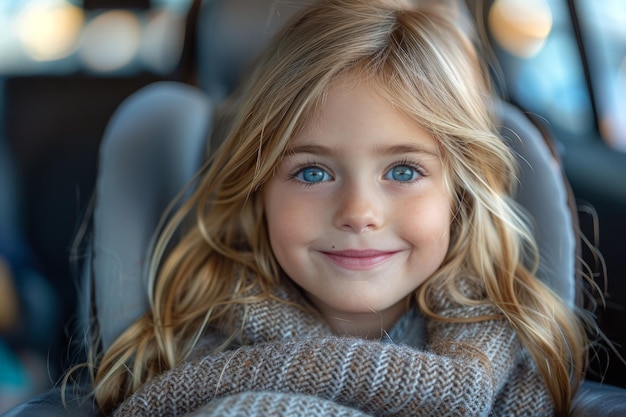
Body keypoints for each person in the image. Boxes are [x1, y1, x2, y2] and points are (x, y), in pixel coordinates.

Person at [87, 0, 589, 415]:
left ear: (459, 193)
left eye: (404, 171)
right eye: (312, 173)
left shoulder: (520, 358)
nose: (359, 212)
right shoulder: (185, 353)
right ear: (259, 189)